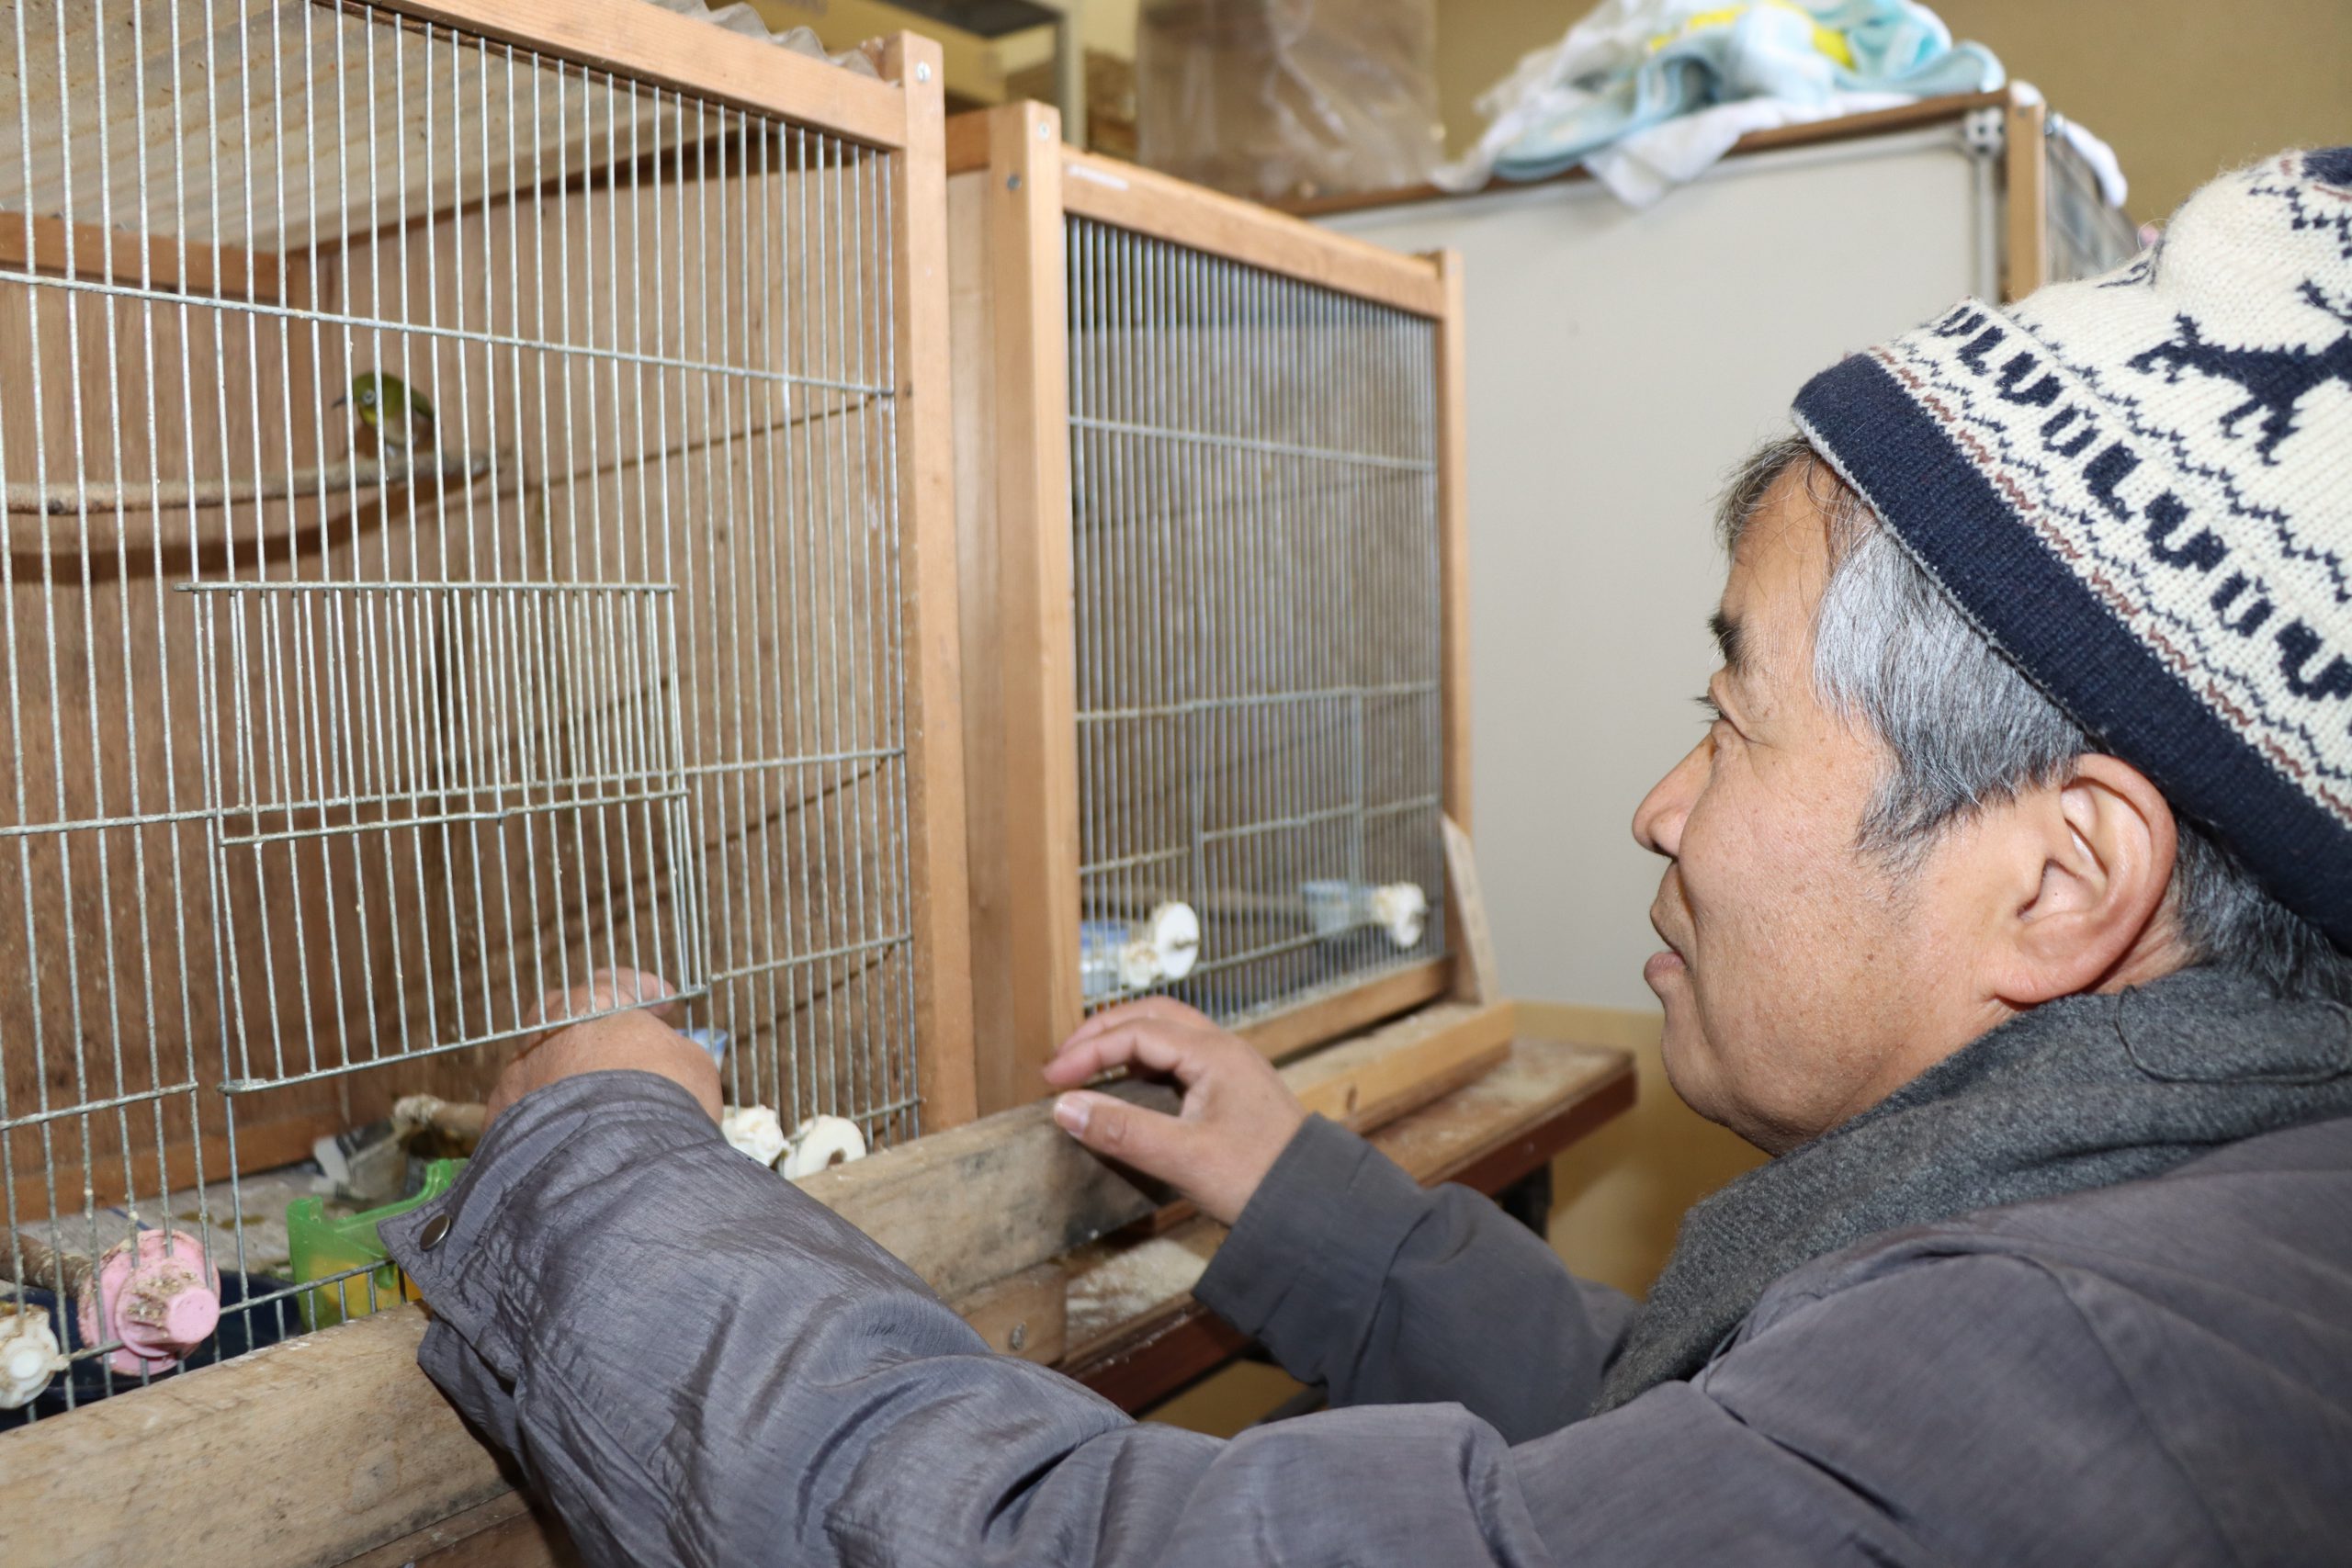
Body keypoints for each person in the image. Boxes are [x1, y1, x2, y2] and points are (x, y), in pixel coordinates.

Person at [385, 148, 2352, 1565]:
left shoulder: (2066, 1375)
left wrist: (602, 1156)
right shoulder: (2208, 1204)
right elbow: (1677, 1448)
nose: (1662, 806)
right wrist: (1299, 1199)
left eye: (1730, 713)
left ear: (2061, 873)